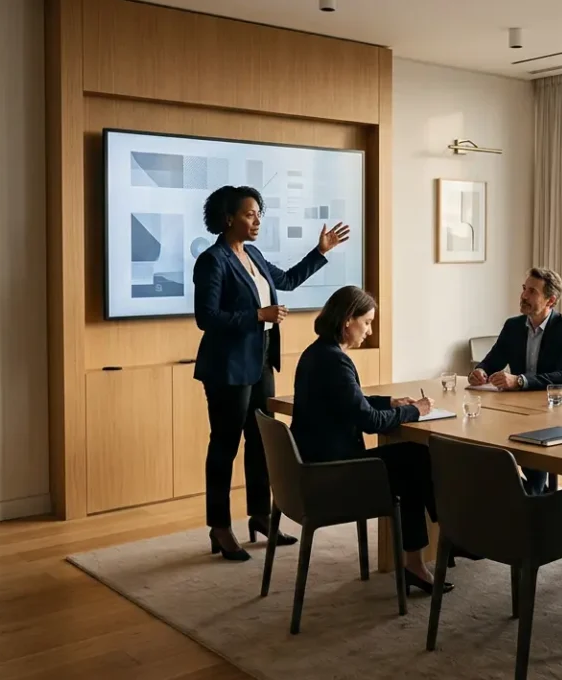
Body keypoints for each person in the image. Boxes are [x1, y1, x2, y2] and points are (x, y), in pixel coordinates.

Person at [194, 185, 350, 561]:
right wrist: (256, 315)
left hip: (261, 361)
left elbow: (288, 280)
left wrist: (321, 252)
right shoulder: (213, 260)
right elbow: (206, 318)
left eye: (259, 214)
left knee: (261, 442)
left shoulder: (254, 254)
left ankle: (261, 516)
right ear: (228, 218)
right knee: (225, 446)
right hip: (228, 367)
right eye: (249, 214)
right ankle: (219, 526)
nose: (257, 221)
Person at [290, 286, 453, 594]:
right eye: (366, 322)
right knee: (416, 458)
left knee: (411, 460)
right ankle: (446, 536)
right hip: (334, 475)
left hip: (314, 468)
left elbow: (352, 402)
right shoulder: (335, 362)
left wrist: (391, 402)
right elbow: (369, 422)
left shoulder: (317, 353)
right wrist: (413, 411)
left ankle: (428, 553)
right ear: (347, 321)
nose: (369, 330)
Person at [469, 268, 562, 494]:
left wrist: (520, 381)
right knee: (483, 451)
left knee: (525, 459)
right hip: (518, 412)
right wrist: (480, 371)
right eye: (524, 289)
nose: (523, 296)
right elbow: (492, 360)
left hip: (555, 415)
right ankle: (529, 496)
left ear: (551, 300)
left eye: (532, 291)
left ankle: (533, 497)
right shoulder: (513, 326)